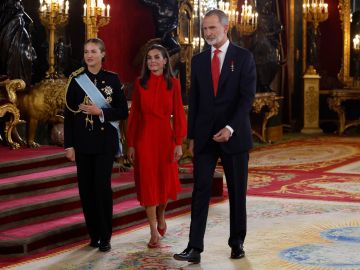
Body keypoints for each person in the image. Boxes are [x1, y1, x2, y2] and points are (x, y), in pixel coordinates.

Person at [173, 9, 256, 263]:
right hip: (205, 137)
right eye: (205, 29)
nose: (208, 33)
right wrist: (192, 136)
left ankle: (237, 242)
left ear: (225, 28)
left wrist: (230, 128)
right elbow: (195, 101)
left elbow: (246, 99)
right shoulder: (198, 61)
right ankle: (194, 247)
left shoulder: (243, 58)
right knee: (200, 191)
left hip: (235, 136)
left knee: (237, 191)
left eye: (212, 28)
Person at [64, 38, 128, 252]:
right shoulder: (76, 80)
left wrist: (101, 112)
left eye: (93, 51)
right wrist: (69, 145)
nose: (89, 55)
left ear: (102, 54)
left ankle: (106, 236)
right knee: (86, 190)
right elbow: (69, 116)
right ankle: (93, 235)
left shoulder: (112, 79)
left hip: (104, 144)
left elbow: (123, 111)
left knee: (101, 188)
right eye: (86, 52)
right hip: (82, 143)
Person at [127, 44, 186, 248]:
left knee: (164, 180)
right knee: (148, 184)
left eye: (156, 57)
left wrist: (179, 142)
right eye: (149, 58)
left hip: (165, 138)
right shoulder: (140, 84)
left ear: (165, 60)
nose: (152, 61)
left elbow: (179, 113)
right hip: (144, 139)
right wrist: (131, 144)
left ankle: (161, 213)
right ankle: (153, 231)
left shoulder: (174, 85)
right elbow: (134, 116)